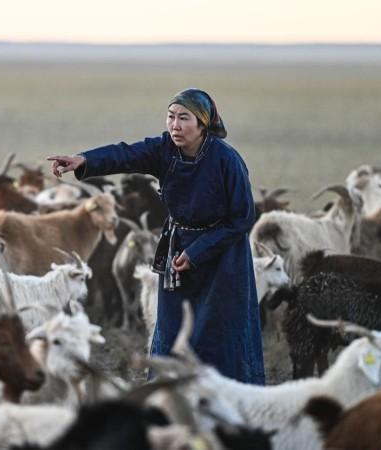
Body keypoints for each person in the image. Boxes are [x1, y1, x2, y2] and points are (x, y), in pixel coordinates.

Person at [47, 89, 264, 384]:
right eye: (171, 116)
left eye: (184, 118)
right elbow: (125, 154)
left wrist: (198, 252)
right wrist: (83, 160)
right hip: (178, 251)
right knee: (172, 330)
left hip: (223, 257)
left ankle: (224, 397)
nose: (175, 125)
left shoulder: (227, 160)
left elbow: (242, 218)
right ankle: (167, 394)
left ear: (202, 124)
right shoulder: (164, 150)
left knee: (219, 334)